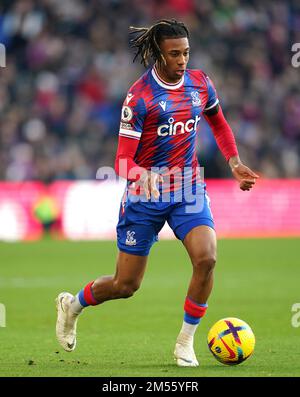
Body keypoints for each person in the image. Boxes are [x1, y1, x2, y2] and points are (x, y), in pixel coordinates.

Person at [55, 19, 259, 367]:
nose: (182, 60)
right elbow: (121, 160)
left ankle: (185, 341)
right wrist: (140, 175)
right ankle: (71, 306)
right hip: (144, 196)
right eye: (175, 54)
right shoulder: (140, 98)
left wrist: (234, 161)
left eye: (186, 53)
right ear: (159, 55)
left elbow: (219, 122)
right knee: (125, 285)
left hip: (188, 187)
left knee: (207, 258)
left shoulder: (200, 83)